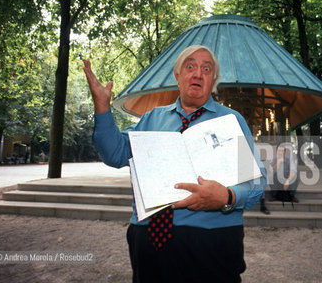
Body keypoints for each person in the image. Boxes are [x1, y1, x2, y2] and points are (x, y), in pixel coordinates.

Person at [83, 45, 266, 283]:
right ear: (177, 75)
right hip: (147, 238)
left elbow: (257, 181)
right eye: (190, 66)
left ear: (214, 81)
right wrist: (102, 106)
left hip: (212, 240)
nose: (198, 74)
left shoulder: (231, 121)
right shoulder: (150, 119)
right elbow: (114, 153)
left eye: (207, 69)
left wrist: (227, 196)